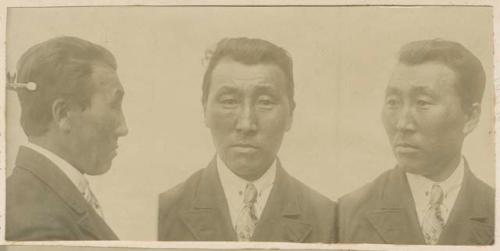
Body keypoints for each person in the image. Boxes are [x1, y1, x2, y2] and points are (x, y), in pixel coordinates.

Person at [158, 37, 336, 242]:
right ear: (205, 109)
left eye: (265, 102)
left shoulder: (327, 218)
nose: (246, 124)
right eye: (229, 101)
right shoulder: (164, 211)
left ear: (290, 115)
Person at [338, 39, 494, 245]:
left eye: (422, 103)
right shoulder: (347, 213)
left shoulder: (492, 208)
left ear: (471, 117)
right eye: (393, 102)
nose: (402, 124)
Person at [6, 36, 128, 240]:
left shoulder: (43, 197)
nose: (123, 128)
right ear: (63, 114)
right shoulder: (37, 222)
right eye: (114, 105)